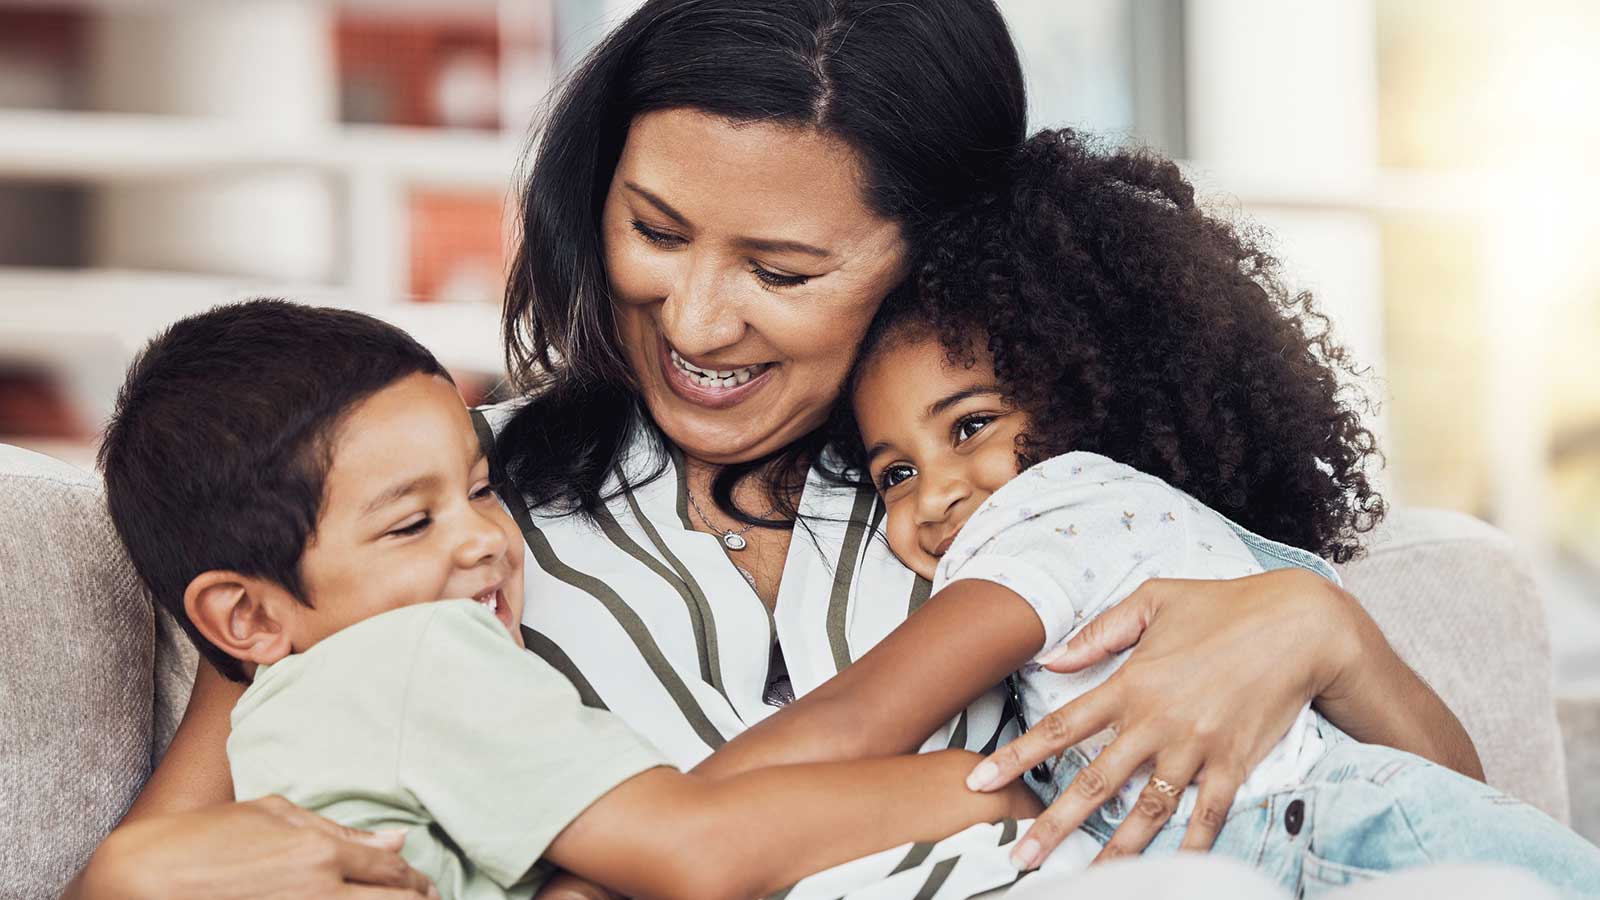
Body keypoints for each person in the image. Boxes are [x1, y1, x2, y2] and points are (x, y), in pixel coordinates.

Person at [71, 3, 1482, 898]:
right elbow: (187, 825)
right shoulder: (430, 506)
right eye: (658, 230)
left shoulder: (1018, 486)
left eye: (785, 270)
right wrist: (132, 878)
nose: (694, 318)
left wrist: (1318, 628)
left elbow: (1429, 826)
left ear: (931, 257)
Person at [729, 128, 1598, 895]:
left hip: (1345, 846)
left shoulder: (1054, 516)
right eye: (894, 475)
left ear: (1079, 394)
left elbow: (860, 718)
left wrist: (658, 806)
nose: (939, 490)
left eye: (972, 425)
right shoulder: (1184, 538)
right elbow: (1459, 799)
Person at [92, 299, 1040, 900]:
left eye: (476, 488)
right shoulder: (417, 658)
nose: (485, 541)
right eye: (409, 526)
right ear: (248, 618)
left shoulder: (293, 717)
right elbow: (698, 853)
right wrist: (984, 792)